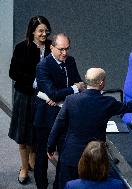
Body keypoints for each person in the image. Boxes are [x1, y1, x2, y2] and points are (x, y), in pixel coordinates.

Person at [47, 67, 132, 189]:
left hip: (70, 155)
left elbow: (58, 125)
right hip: (96, 158)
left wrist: (50, 146)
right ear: (101, 83)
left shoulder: (71, 99)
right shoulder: (108, 102)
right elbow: (128, 107)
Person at [34, 33, 85, 189]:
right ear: (52, 47)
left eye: (67, 49)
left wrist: (61, 94)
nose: (65, 53)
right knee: (42, 158)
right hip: (46, 119)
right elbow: (56, 93)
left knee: (64, 157)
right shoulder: (43, 66)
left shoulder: (70, 61)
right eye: (61, 49)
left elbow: (79, 82)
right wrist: (73, 89)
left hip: (65, 117)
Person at [8, 15, 52, 185]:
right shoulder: (21, 47)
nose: (44, 34)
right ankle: (24, 168)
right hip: (25, 95)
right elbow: (13, 73)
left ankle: (32, 162)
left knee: (36, 132)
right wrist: (32, 81)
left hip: (43, 96)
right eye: (41, 30)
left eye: (46, 30)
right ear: (32, 31)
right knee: (23, 134)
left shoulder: (50, 46)